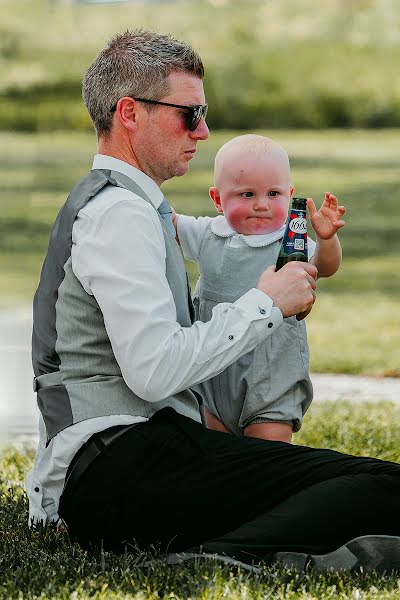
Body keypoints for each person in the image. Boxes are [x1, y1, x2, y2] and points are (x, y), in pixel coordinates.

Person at [26, 29, 400, 574]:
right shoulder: (118, 215)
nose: (203, 130)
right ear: (130, 112)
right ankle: (223, 558)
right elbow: (153, 370)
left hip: (133, 462)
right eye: (189, 114)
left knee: (356, 482)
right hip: (124, 468)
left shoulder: (127, 207)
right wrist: (266, 303)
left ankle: (250, 547)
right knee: (383, 488)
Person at [173, 134, 345, 443]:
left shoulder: (290, 242)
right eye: (247, 193)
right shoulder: (208, 233)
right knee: (217, 450)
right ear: (217, 199)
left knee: (268, 451)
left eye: (274, 193)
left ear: (289, 194)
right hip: (215, 375)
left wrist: (327, 238)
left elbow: (324, 267)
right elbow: (166, 222)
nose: (261, 204)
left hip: (271, 372)